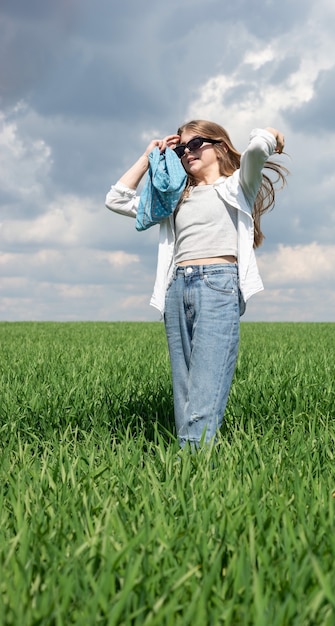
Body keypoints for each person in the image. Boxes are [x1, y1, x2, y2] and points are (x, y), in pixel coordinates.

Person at [105, 120, 288, 448]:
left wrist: (273, 134)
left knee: (207, 384)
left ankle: (189, 466)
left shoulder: (237, 186)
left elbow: (259, 148)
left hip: (218, 286)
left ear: (218, 147)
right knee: (185, 389)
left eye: (195, 144)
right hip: (177, 288)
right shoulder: (173, 199)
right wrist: (149, 156)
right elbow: (117, 199)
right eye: (181, 148)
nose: (187, 152)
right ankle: (191, 472)